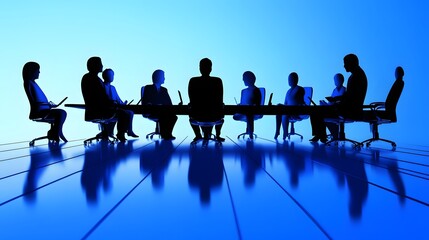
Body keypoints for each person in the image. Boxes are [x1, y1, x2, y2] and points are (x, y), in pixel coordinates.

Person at [310, 53, 368, 143]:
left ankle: (322, 136)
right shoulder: (357, 74)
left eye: (345, 63)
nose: (344, 66)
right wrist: (337, 99)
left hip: (350, 110)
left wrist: (337, 101)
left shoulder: (356, 76)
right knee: (317, 110)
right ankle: (321, 135)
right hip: (350, 108)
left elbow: (351, 98)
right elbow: (350, 96)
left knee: (316, 111)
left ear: (351, 63)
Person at [81, 56, 132, 142]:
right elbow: (100, 98)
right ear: (95, 65)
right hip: (99, 110)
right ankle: (120, 134)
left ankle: (109, 132)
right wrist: (113, 103)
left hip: (94, 110)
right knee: (125, 114)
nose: (102, 66)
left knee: (122, 112)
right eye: (100, 64)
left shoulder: (90, 78)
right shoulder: (94, 79)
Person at [23, 61, 67, 142]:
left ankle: (54, 132)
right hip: (39, 112)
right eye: (38, 70)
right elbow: (33, 102)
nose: (39, 72)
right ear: (32, 71)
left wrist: (49, 105)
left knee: (60, 113)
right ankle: (57, 132)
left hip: (44, 109)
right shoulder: (28, 83)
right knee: (61, 113)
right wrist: (48, 104)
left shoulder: (32, 83)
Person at [188, 58, 225, 142]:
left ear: (200, 68)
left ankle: (198, 135)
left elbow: (191, 99)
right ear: (211, 68)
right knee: (221, 107)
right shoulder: (217, 81)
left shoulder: (193, 81)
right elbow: (220, 99)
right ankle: (218, 135)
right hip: (215, 115)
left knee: (190, 109)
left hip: (197, 115)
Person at [141, 69, 178, 140]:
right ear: (158, 77)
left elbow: (169, 103)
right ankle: (164, 134)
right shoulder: (148, 88)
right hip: (152, 111)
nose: (164, 78)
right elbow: (146, 101)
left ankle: (168, 134)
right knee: (163, 115)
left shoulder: (164, 90)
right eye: (163, 76)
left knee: (173, 117)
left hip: (163, 111)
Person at [102, 68, 138, 138]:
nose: (112, 77)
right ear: (105, 76)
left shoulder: (113, 88)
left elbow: (118, 99)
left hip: (116, 107)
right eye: (110, 75)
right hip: (107, 109)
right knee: (125, 113)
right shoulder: (102, 86)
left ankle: (129, 131)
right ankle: (120, 133)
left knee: (130, 112)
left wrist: (122, 103)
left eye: (112, 75)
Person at [274, 72, 305, 140]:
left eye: (291, 79)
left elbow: (300, 102)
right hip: (287, 109)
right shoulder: (288, 91)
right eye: (289, 79)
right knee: (278, 107)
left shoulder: (300, 89)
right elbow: (285, 103)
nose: (289, 81)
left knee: (285, 112)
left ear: (296, 79)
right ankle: (277, 131)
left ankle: (285, 132)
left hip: (295, 111)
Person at [233, 71, 262, 139]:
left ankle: (250, 133)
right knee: (238, 114)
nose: (243, 80)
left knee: (249, 112)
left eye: (244, 78)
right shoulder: (243, 91)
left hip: (253, 111)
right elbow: (242, 102)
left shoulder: (256, 90)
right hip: (244, 110)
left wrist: (249, 105)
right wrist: (240, 105)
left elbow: (257, 104)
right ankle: (249, 131)